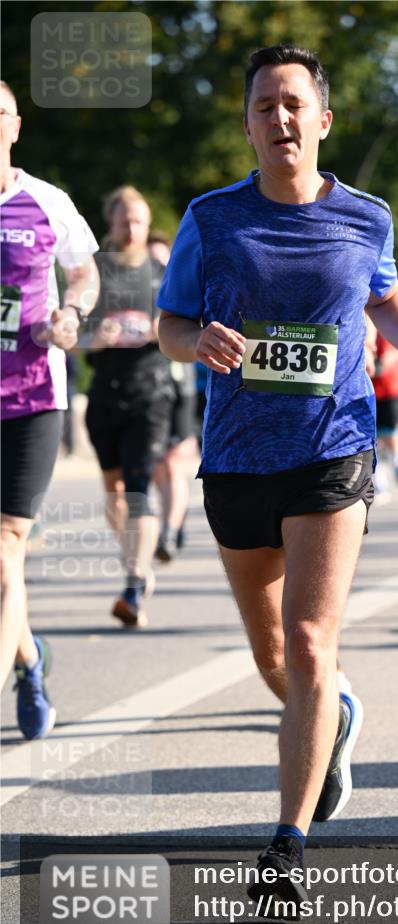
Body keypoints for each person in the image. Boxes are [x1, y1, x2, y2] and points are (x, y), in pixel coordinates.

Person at [157, 45, 398, 907]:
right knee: (273, 655)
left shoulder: (366, 216)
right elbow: (169, 323)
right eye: (264, 106)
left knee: (306, 641)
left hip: (333, 448)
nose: (280, 119)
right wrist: (197, 341)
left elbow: (383, 295)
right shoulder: (211, 218)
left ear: (321, 119)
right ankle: (335, 715)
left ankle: (286, 848)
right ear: (248, 125)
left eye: (294, 104)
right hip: (236, 457)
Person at [0, 80, 99, 738]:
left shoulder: (46, 201)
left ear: (15, 126)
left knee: (6, 543)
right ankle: (30, 660)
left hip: (32, 396)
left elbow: (85, 273)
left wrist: (71, 313)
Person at [84, 186, 173, 626]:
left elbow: (186, 326)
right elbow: (71, 332)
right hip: (105, 391)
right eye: (124, 221)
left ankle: (135, 582)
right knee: (114, 492)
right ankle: (134, 562)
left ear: (147, 223)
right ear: (111, 223)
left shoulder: (163, 273)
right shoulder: (93, 271)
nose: (131, 228)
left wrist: (157, 329)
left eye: (138, 221)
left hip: (150, 391)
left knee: (139, 485)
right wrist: (95, 336)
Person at [147, 233, 198, 562]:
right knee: (158, 466)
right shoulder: (134, 290)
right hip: (148, 390)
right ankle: (171, 519)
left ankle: (168, 530)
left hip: (180, 387)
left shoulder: (183, 288)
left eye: (162, 261)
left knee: (173, 462)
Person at [368, 314, 398, 499]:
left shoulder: (394, 316)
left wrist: (391, 357)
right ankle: (379, 484)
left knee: (393, 435)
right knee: (373, 439)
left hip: (392, 388)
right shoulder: (360, 316)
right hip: (369, 389)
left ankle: (397, 460)